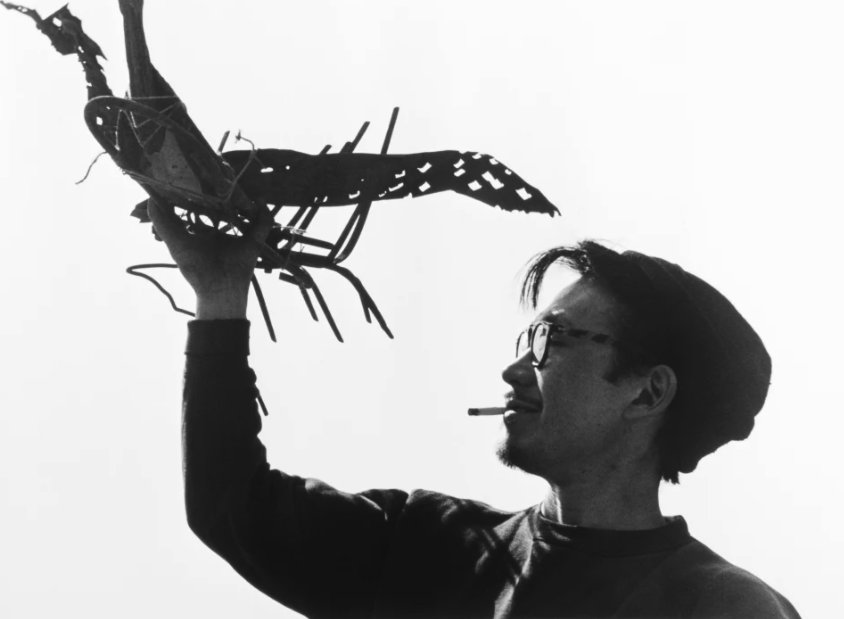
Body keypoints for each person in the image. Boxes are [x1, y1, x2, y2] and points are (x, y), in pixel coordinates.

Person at [148, 200, 800, 618]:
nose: (516, 369)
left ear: (649, 392)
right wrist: (221, 297)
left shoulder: (717, 606)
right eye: (527, 339)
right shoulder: (432, 544)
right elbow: (232, 507)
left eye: (552, 341)